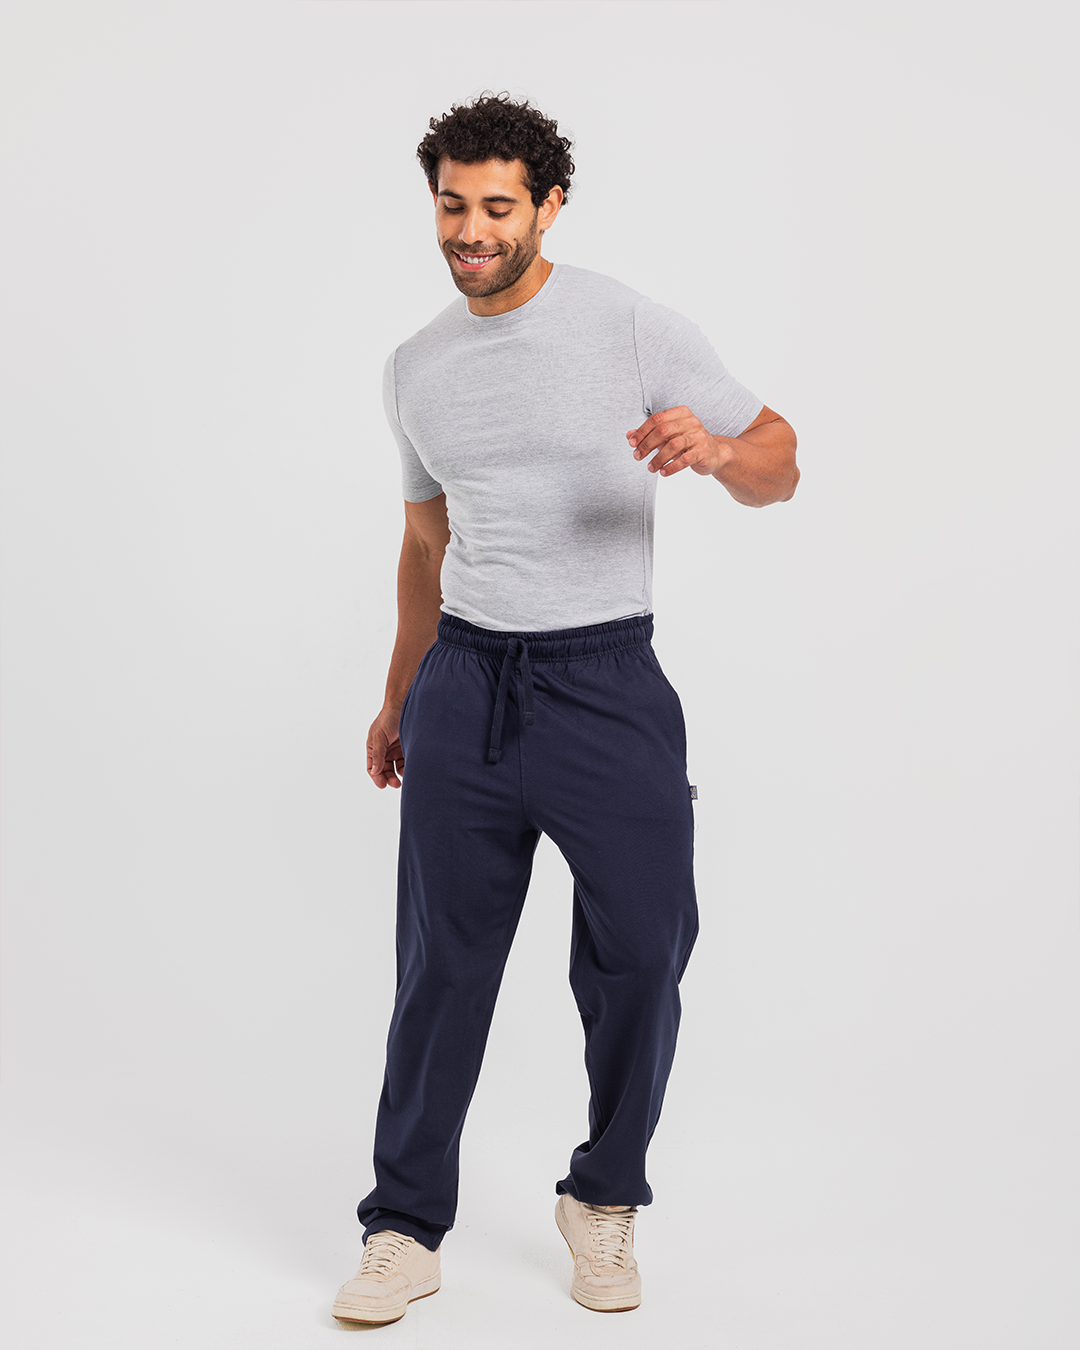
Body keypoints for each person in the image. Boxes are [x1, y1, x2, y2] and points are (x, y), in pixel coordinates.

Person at [333, 93, 798, 1326]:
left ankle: (603, 1196)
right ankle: (402, 1226)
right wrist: (398, 694)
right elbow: (425, 545)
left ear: (548, 205)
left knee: (644, 952)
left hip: (607, 683)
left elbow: (782, 462)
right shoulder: (415, 367)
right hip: (464, 686)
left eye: (497, 206)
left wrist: (717, 453)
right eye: (452, 205)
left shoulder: (631, 327)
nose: (471, 230)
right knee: (440, 970)